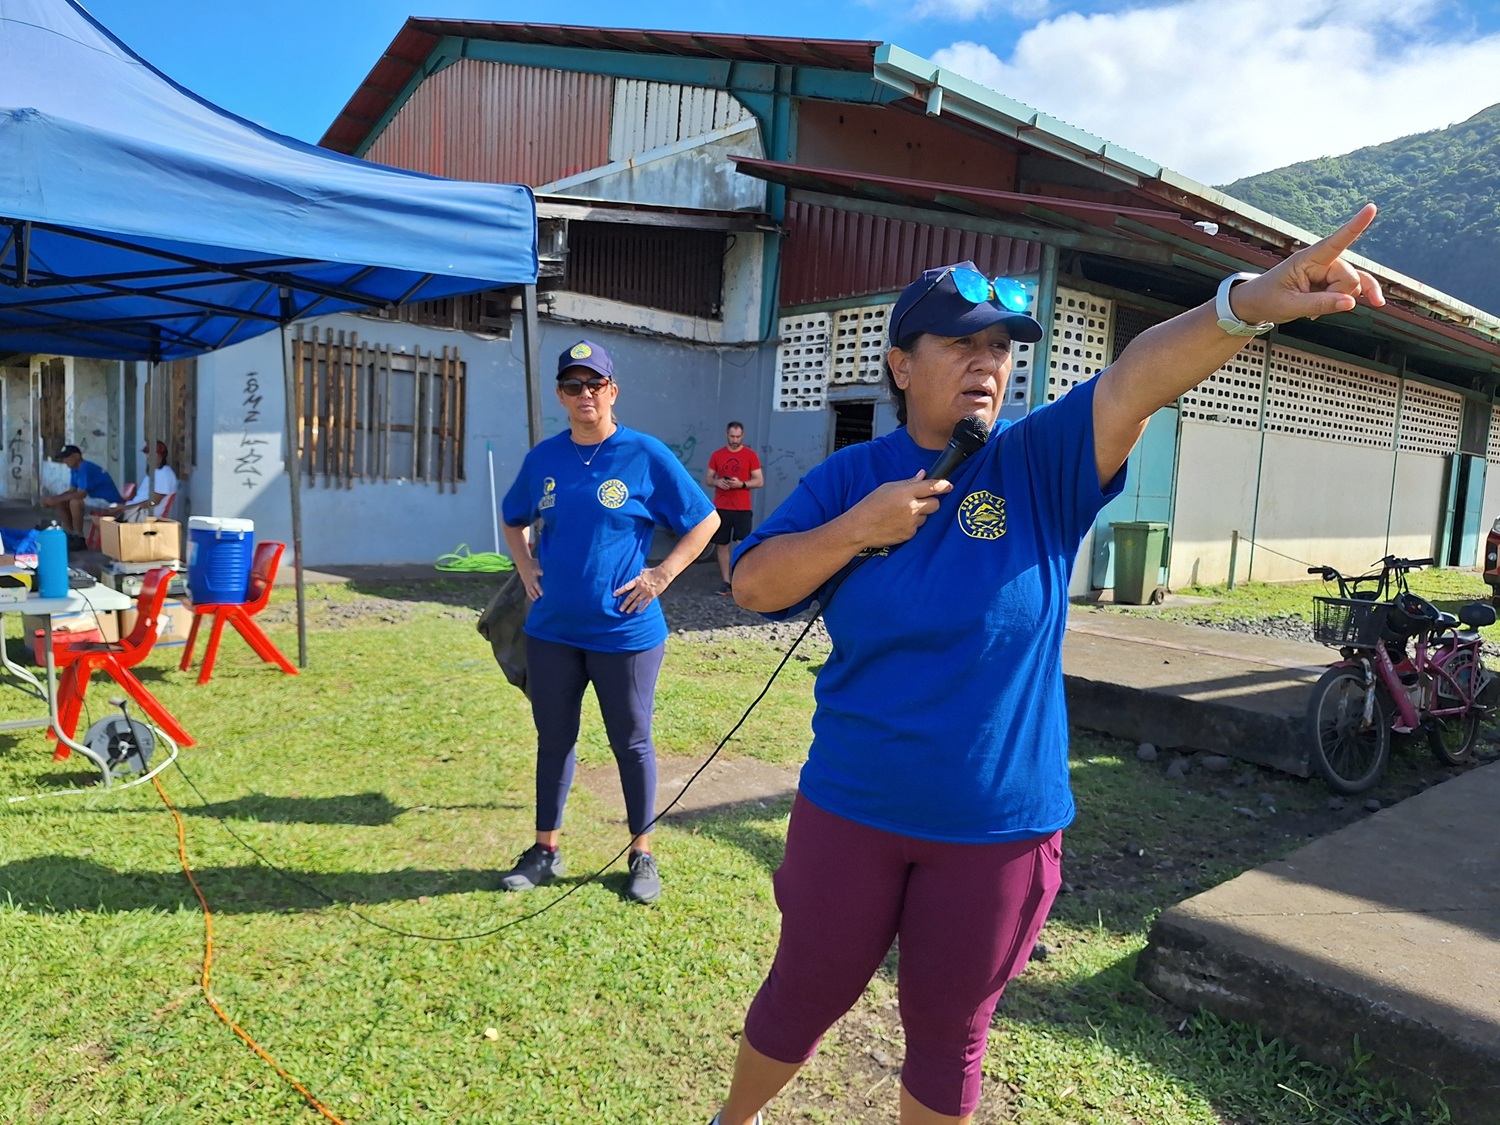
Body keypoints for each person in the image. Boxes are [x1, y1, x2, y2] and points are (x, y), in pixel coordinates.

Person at [708, 206, 1385, 1125]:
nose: (988, 361)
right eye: (961, 343)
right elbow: (753, 584)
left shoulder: (1036, 464)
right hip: (852, 808)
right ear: (901, 365)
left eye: (1001, 346)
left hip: (996, 827)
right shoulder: (849, 478)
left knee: (949, 1032)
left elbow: (1137, 377)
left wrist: (1245, 306)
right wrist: (857, 527)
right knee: (803, 991)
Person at [500, 340, 720, 905]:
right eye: (573, 386)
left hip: (625, 634)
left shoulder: (644, 454)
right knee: (555, 739)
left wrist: (661, 575)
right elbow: (513, 518)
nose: (585, 394)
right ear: (560, 395)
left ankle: (641, 853)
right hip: (552, 631)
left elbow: (705, 520)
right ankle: (545, 850)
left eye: (594, 384)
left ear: (612, 391)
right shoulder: (544, 460)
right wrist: (525, 565)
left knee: (632, 742)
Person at [704, 422, 763, 595]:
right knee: (722, 545)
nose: (735, 440)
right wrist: (717, 482)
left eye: (738, 437)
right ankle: (726, 582)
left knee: (743, 544)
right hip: (722, 507)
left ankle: (741, 580)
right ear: (727, 435)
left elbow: (759, 481)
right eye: (732, 437)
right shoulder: (717, 455)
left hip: (742, 508)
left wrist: (741, 484)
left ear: (742, 436)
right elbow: (708, 479)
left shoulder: (750, 455)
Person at [41, 444, 122, 543]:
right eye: (63, 458)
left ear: (77, 456)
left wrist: (56, 499)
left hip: (109, 502)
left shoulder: (85, 467)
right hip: (95, 500)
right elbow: (72, 490)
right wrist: (55, 499)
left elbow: (81, 494)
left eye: (67, 457)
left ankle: (79, 537)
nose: (65, 460)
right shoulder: (74, 469)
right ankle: (69, 534)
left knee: (75, 503)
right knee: (62, 502)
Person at [107, 440, 179, 522]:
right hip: (136, 510)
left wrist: (126, 508)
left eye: (152, 454)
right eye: (147, 453)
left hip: (145, 514)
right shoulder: (154, 472)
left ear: (161, 455)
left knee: (106, 519)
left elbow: (154, 502)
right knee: (103, 511)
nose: (148, 456)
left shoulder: (164, 474)